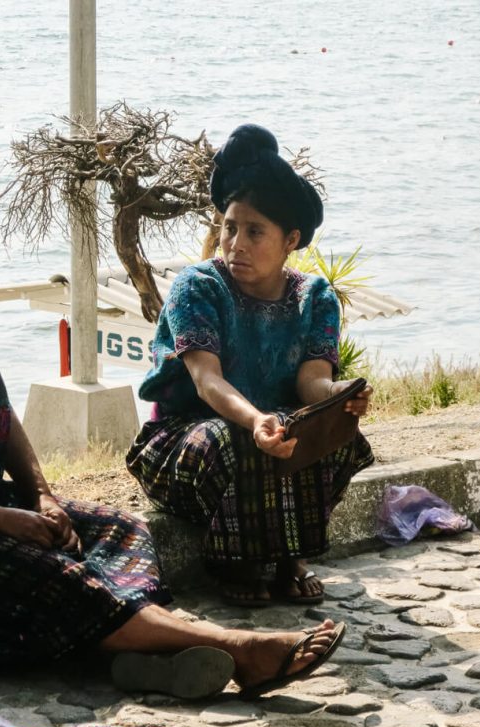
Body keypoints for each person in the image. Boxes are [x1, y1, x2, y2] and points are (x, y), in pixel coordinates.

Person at [0, 148, 345, 700]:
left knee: (121, 531)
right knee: (52, 573)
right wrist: (5, 519)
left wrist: (41, 495)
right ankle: (235, 649)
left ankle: (128, 651)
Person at [126, 124, 375, 607]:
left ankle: (288, 559)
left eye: (254, 231)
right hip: (184, 441)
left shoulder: (315, 298)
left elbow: (311, 382)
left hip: (274, 431)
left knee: (340, 439)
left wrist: (340, 395)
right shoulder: (198, 287)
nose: (235, 243)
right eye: (230, 228)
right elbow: (206, 379)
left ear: (291, 240)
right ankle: (233, 561)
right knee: (231, 437)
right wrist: (257, 420)